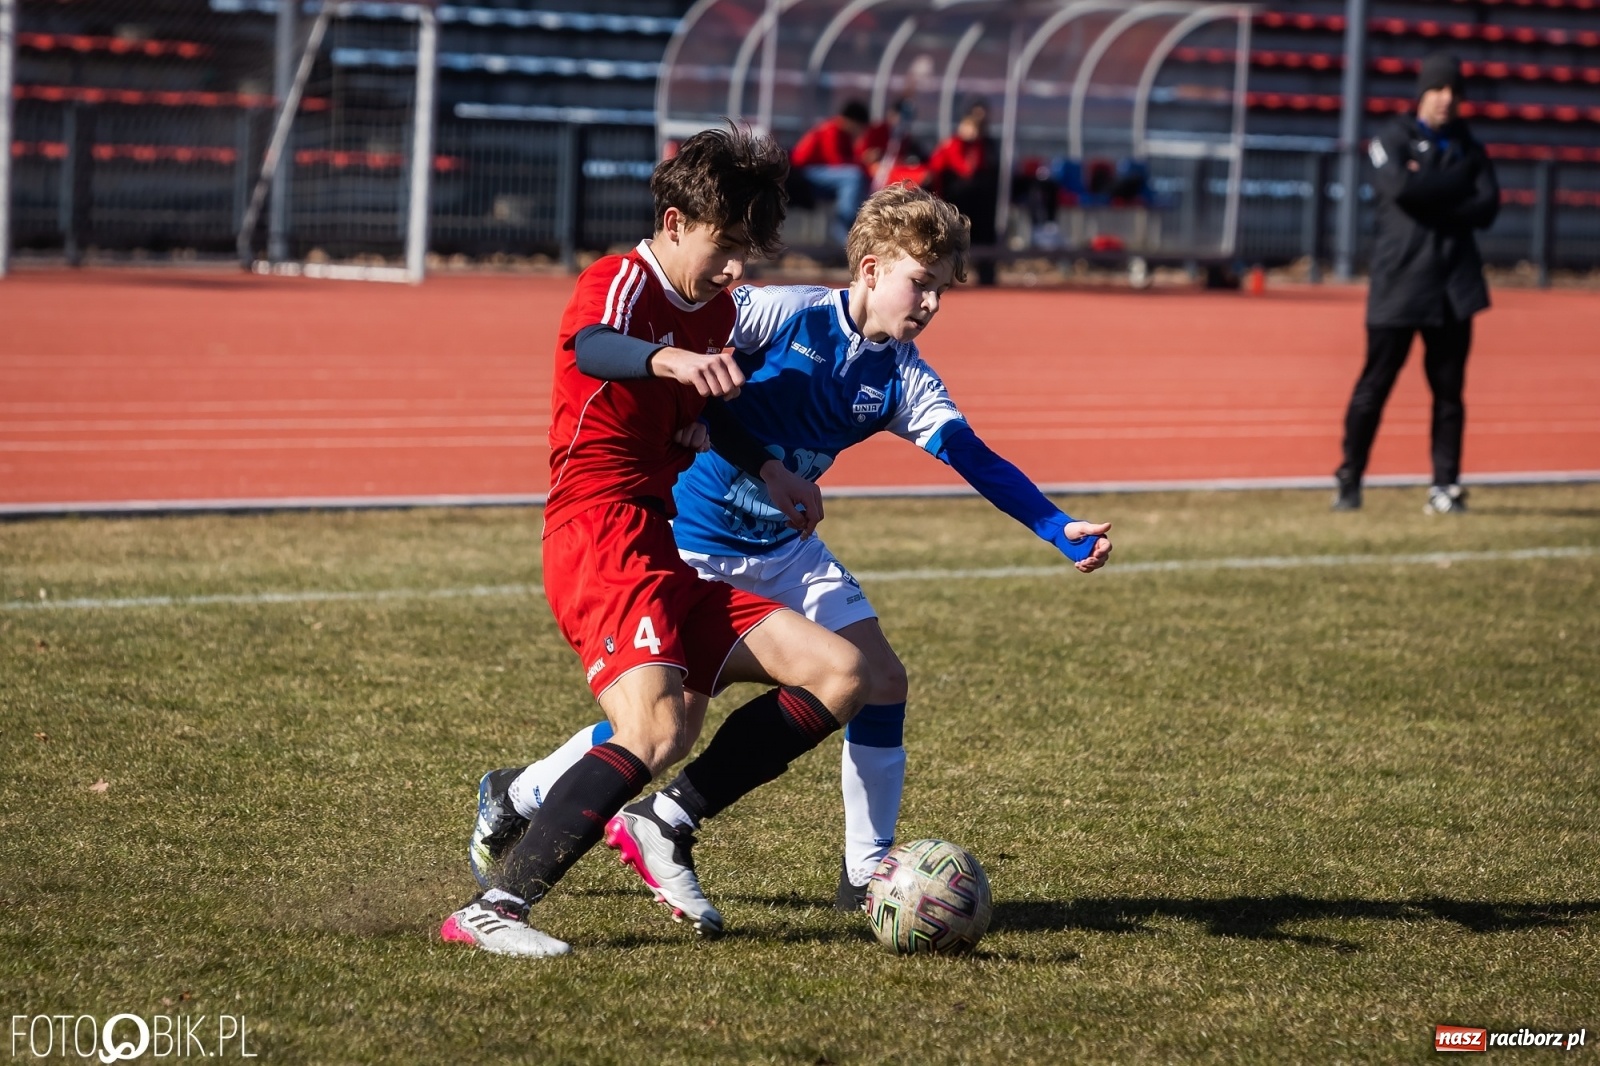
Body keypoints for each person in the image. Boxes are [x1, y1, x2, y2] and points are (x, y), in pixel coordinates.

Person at [467, 183, 1113, 923]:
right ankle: (520, 793)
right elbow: (685, 360)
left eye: (941, 291)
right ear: (870, 270)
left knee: (879, 678)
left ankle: (865, 876)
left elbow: (975, 457)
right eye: (920, 283)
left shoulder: (902, 377)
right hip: (696, 537)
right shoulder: (780, 312)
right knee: (665, 724)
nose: (930, 304)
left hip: (783, 548)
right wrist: (688, 428)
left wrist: (1054, 525)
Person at [440, 126, 871, 957]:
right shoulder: (619, 281)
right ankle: (493, 908)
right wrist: (668, 363)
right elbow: (597, 349)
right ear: (675, 223)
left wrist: (771, 468)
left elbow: (710, 414)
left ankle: (663, 819)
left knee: (840, 672)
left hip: (660, 540)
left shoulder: (710, 309)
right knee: (655, 728)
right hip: (598, 532)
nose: (738, 269)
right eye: (728, 245)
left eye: (751, 249)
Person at [1334, 53, 1499, 514]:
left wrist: (1432, 186)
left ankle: (1444, 486)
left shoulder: (1469, 145)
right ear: (1422, 93)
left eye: (1454, 91)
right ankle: (1350, 477)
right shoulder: (1392, 138)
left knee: (1449, 392)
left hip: (1454, 287)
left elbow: (1487, 207)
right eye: (1439, 89)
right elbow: (1403, 191)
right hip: (1401, 282)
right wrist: (1455, 185)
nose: (1447, 99)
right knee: (1375, 385)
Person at [928, 100, 1001, 285]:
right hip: (955, 201)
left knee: (984, 232)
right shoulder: (952, 144)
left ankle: (986, 274)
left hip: (979, 203)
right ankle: (947, 277)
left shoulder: (984, 146)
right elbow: (953, 167)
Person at [791, 100, 871, 243]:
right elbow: (836, 161)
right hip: (804, 173)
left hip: (821, 174)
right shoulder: (830, 129)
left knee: (859, 179)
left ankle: (857, 225)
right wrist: (863, 161)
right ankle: (842, 226)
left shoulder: (844, 134)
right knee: (853, 177)